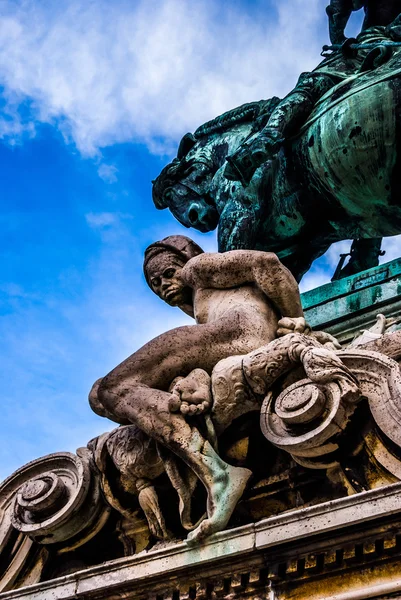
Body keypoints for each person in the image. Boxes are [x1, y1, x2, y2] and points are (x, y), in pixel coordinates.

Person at [92, 235, 307, 543]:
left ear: (185, 260)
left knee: (109, 389)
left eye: (168, 273)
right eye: (155, 283)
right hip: (233, 342)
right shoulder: (206, 301)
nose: (163, 285)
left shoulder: (198, 267)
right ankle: (200, 446)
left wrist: (296, 321)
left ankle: (218, 474)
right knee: (107, 396)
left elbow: (266, 263)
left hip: (238, 334)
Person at [224, 1, 401, 186]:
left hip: (374, 43)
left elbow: (341, 6)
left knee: (314, 85)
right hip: (385, 43)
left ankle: (266, 137)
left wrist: (339, 38)